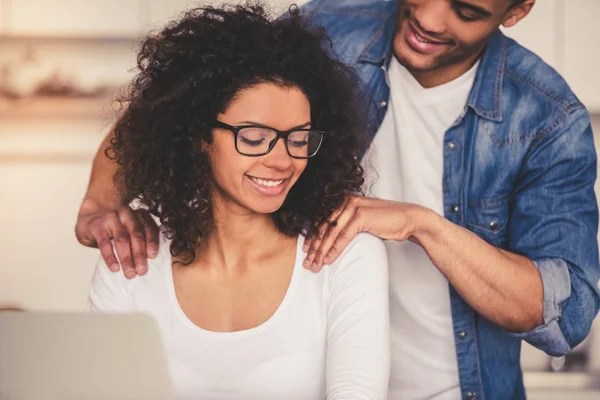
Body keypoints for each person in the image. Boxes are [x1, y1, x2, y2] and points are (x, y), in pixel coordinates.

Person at [76, 0, 600, 399]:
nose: (431, 19)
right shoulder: (332, 25)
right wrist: (101, 204)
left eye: (465, 10)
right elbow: (188, 93)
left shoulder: (547, 118)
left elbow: (565, 313)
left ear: (518, 10)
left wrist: (424, 226)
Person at [85, 5, 390, 400]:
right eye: (254, 137)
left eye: (298, 138)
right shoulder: (131, 259)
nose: (282, 160)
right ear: (199, 135)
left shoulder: (347, 256)